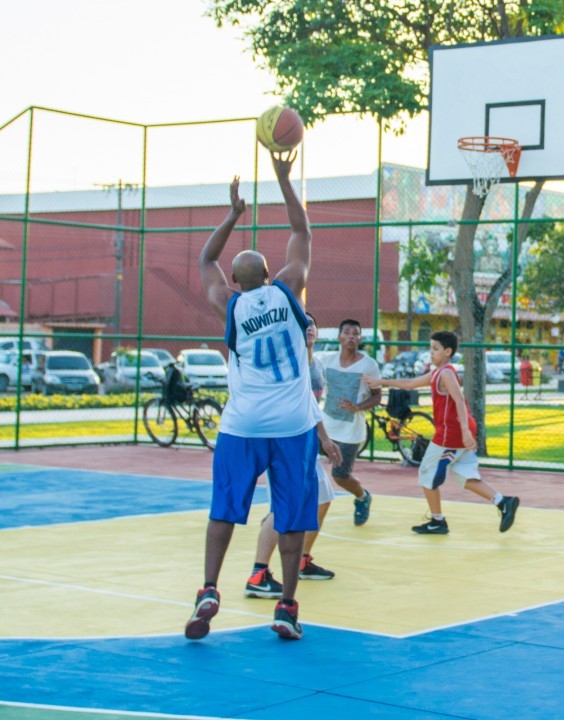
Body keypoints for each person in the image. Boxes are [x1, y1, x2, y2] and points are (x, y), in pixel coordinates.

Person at [186, 155, 342, 642]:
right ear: (273, 274)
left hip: (241, 425)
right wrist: (282, 177)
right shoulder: (289, 289)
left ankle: (209, 589)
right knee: (293, 519)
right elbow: (303, 230)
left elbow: (206, 261)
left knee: (223, 510)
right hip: (292, 426)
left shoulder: (228, 305)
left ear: (237, 283)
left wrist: (233, 213)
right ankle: (287, 606)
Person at [366, 331, 519, 535]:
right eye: (430, 348)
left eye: (435, 349)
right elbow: (410, 384)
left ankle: (438, 521)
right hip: (456, 432)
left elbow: (459, 400)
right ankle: (503, 502)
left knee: (426, 473)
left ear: (447, 352)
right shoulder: (438, 372)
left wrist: (464, 431)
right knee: (466, 476)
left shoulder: (446, 373)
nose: (431, 352)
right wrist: (381, 382)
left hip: (451, 434)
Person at [245, 313, 339, 599]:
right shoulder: (288, 362)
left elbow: (310, 404)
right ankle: (258, 574)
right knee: (282, 507)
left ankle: (301, 559)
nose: (309, 327)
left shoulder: (316, 364)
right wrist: (324, 436)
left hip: (305, 441)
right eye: (303, 324)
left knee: (322, 499)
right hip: (286, 443)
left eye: (313, 324)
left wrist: (320, 436)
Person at [321, 319, 382, 525]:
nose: (351, 337)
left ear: (360, 339)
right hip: (324, 427)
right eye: (347, 332)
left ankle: (363, 497)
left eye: (356, 334)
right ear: (339, 337)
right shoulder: (327, 361)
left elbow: (377, 396)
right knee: (298, 462)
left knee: (340, 475)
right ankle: (282, 508)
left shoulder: (369, 365)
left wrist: (357, 407)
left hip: (349, 431)